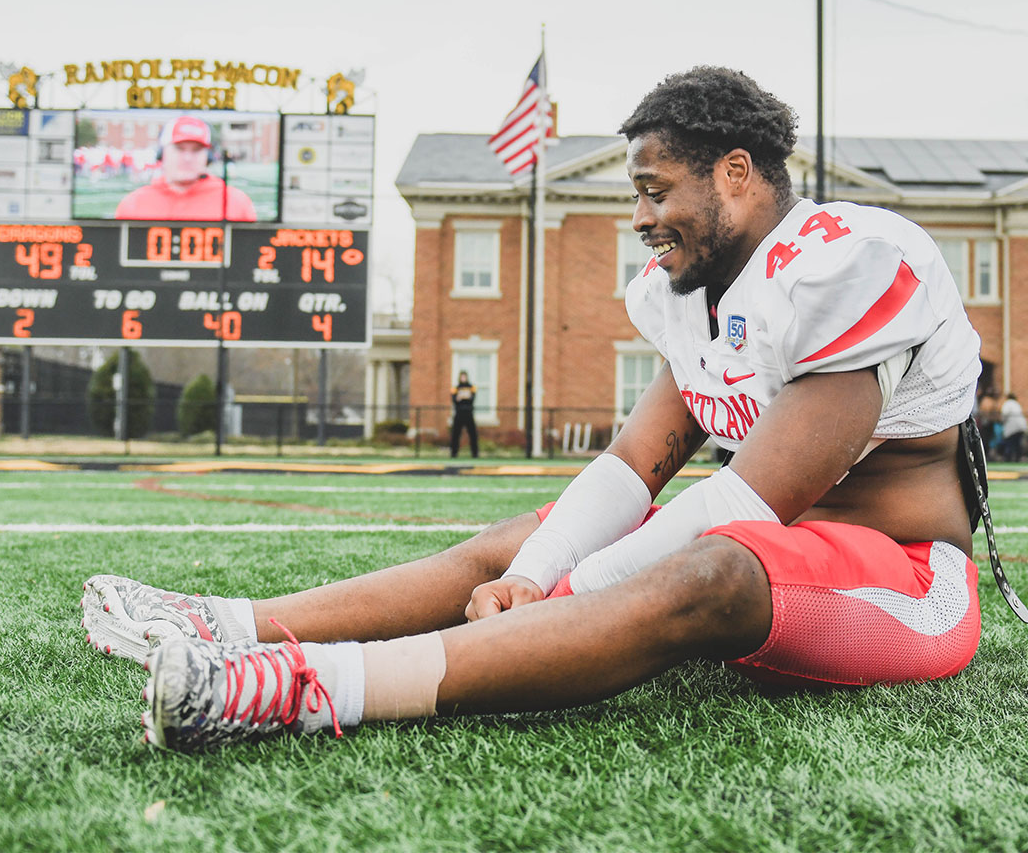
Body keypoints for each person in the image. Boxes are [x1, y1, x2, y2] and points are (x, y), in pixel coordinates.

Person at [83, 66, 995, 753]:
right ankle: (229, 625)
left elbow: (745, 507)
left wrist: (561, 591)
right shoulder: (693, 292)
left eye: (654, 190)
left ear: (735, 172)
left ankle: (298, 686)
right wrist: (540, 564)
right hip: (768, 554)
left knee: (710, 565)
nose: (639, 216)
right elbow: (631, 468)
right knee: (537, 530)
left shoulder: (851, 259)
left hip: (901, 578)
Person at [114, 115, 256, 221]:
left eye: (196, 150)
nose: (188, 157)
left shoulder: (236, 202)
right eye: (179, 149)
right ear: (162, 153)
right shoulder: (133, 203)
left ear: (209, 156)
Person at [450, 371, 479, 458]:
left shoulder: (471, 387)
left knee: (473, 434)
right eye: (462, 377)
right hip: (459, 414)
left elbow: (472, 398)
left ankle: (475, 454)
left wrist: (467, 396)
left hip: (469, 413)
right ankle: (454, 453)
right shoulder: (455, 388)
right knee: (455, 434)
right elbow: (454, 400)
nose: (463, 378)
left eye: (464, 377)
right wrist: (458, 398)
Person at [1000, 393, 1027, 462]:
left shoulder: (1007, 403)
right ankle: (1018, 458)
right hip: (1021, 426)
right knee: (1017, 444)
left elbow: (1004, 414)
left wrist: (1002, 421)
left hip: (1012, 428)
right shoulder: (1017, 404)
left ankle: (1009, 458)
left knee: (1010, 444)